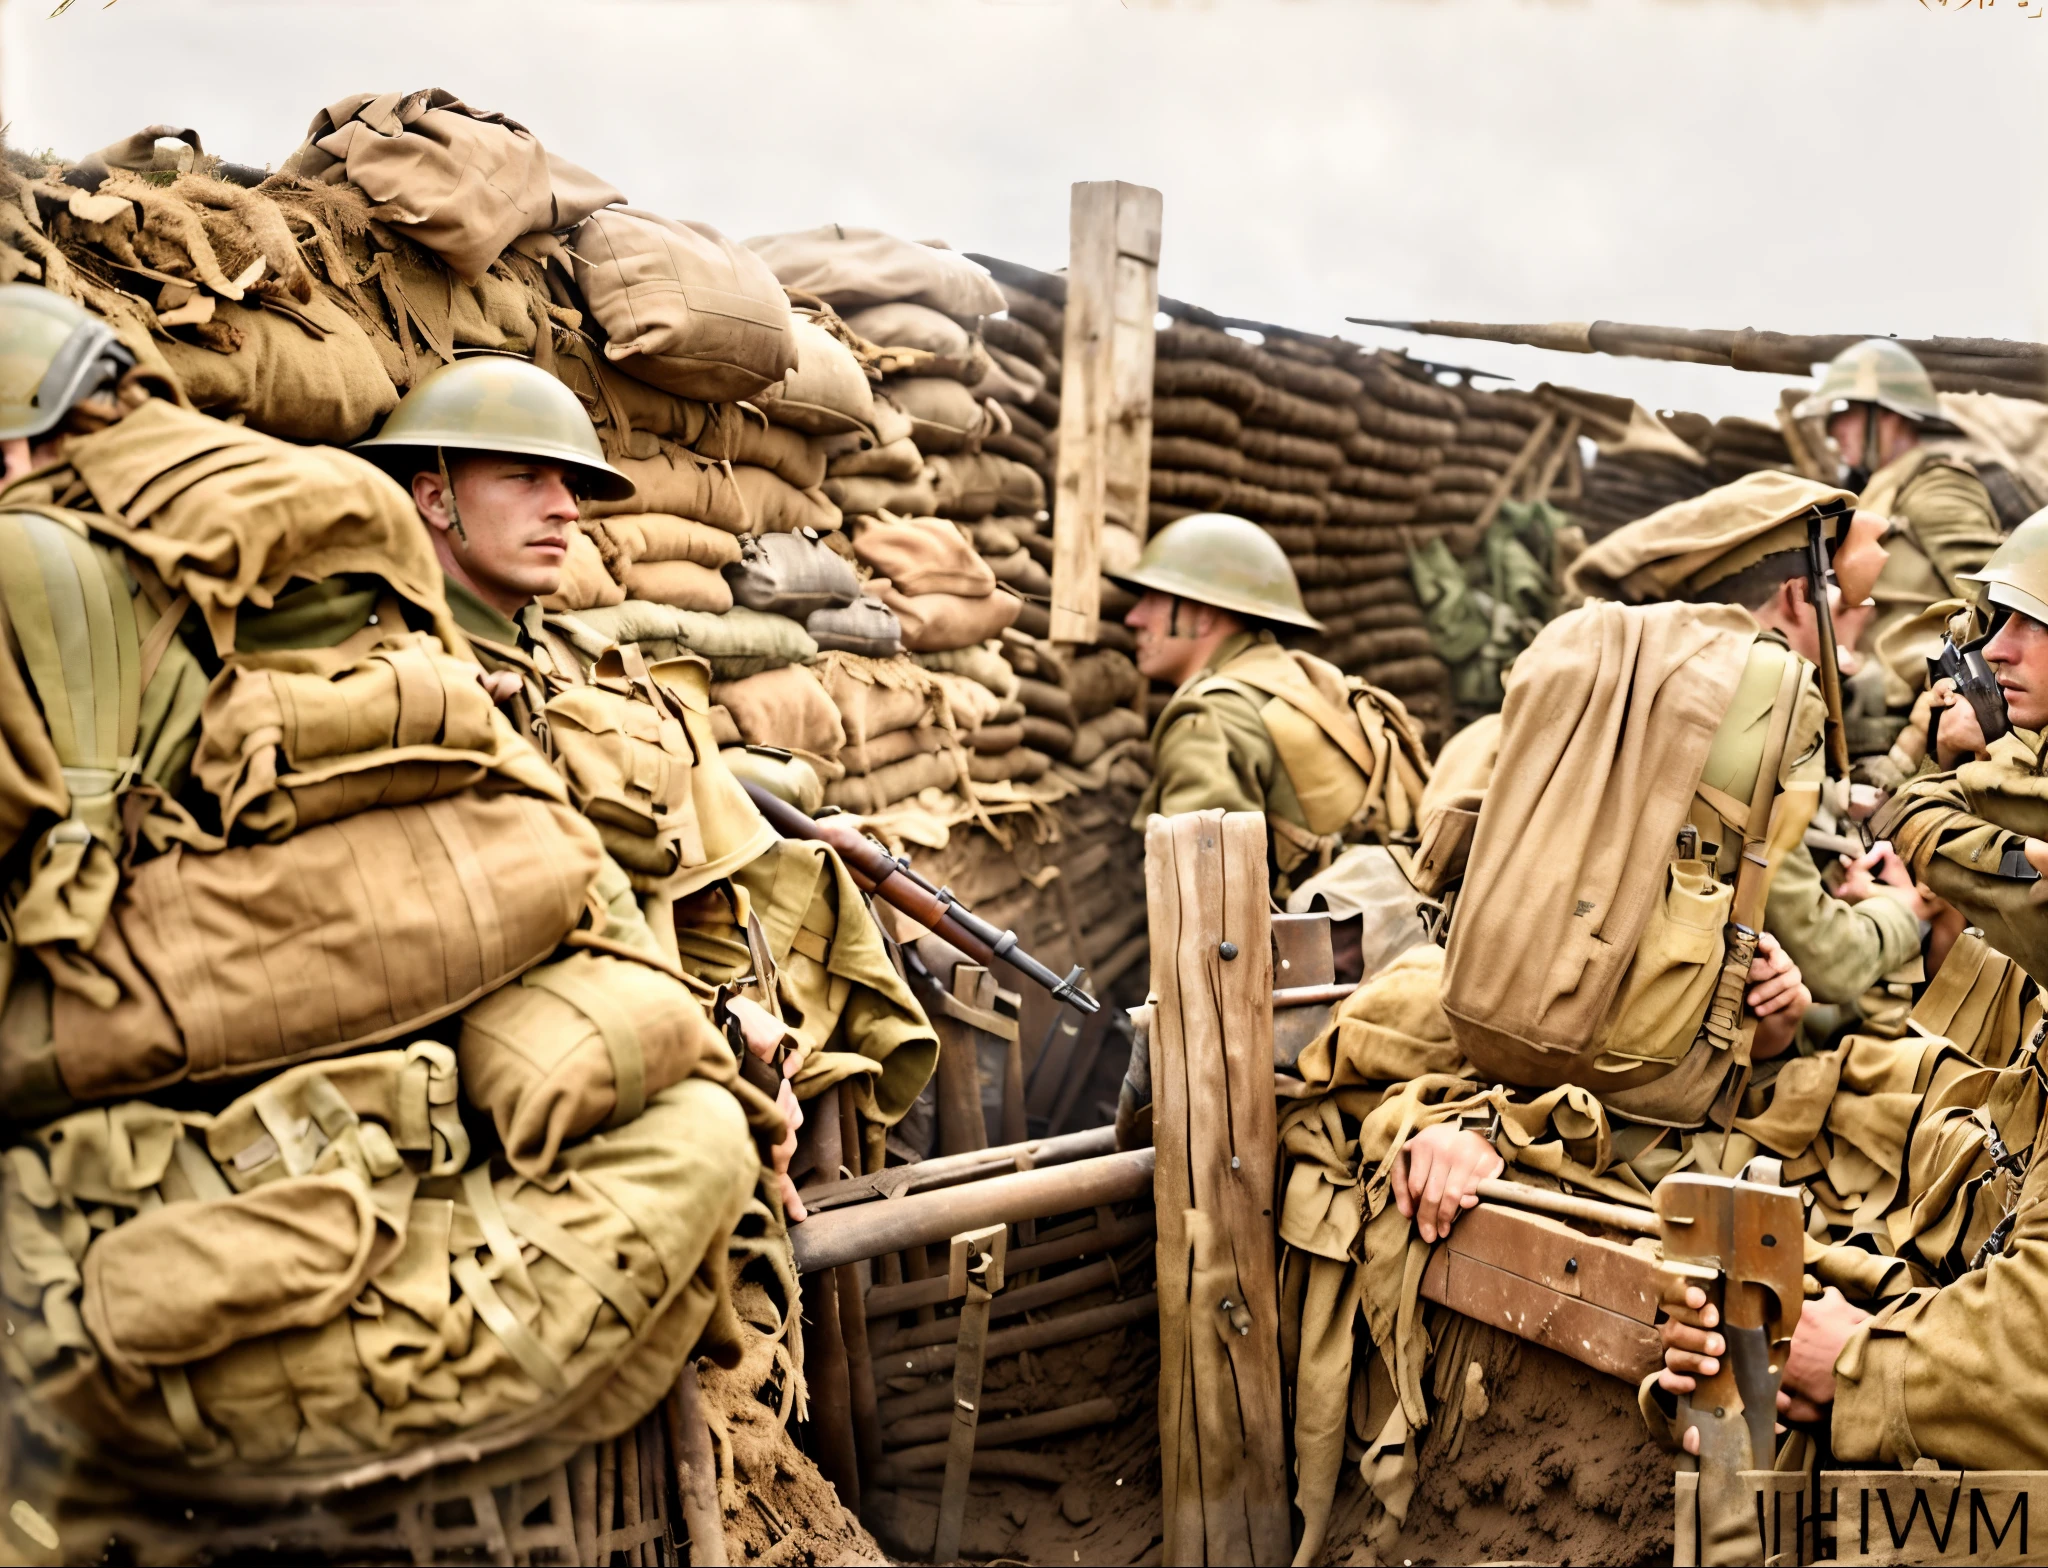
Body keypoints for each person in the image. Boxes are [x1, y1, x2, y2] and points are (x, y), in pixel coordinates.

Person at [1394, 475, 1934, 1239]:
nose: (1855, 636)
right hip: (1649, 1081)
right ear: (1792, 599)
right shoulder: (1773, 695)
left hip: (1492, 1018)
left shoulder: (1597, 650)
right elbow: (1824, 956)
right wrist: (1901, 914)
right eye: (1847, 608)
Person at [356, 356, 819, 1210]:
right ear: (432, 497)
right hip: (521, 1071)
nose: (565, 506)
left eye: (568, 483)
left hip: (642, 1004)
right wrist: (708, 1031)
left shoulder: (559, 659)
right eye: (524, 478)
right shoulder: (395, 679)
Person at [1114, 511, 1428, 899]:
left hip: (1312, 948)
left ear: (1204, 614)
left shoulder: (1213, 717)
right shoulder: (1297, 678)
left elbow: (1204, 899)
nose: (1133, 617)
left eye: (1153, 599)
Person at [1796, 339, 2002, 764]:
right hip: (1865, 714)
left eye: (1846, 414)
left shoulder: (1934, 486)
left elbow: (1996, 599)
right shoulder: (1880, 488)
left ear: (1885, 416)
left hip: (1908, 723)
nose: (1835, 431)